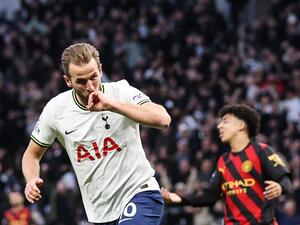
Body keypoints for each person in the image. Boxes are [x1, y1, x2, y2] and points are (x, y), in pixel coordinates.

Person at [22, 43, 171, 225]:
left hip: (140, 192)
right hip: (100, 212)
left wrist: (111, 105)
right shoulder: (56, 110)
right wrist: (30, 180)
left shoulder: (121, 92)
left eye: (94, 77)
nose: (90, 86)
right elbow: (32, 154)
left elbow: (163, 119)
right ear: (68, 81)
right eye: (81, 81)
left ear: (100, 70)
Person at [162, 104, 293, 225]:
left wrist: (280, 187)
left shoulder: (262, 151)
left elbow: (286, 180)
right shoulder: (223, 161)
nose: (219, 126)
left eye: (225, 121)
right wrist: (180, 198)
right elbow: (210, 196)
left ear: (241, 125)